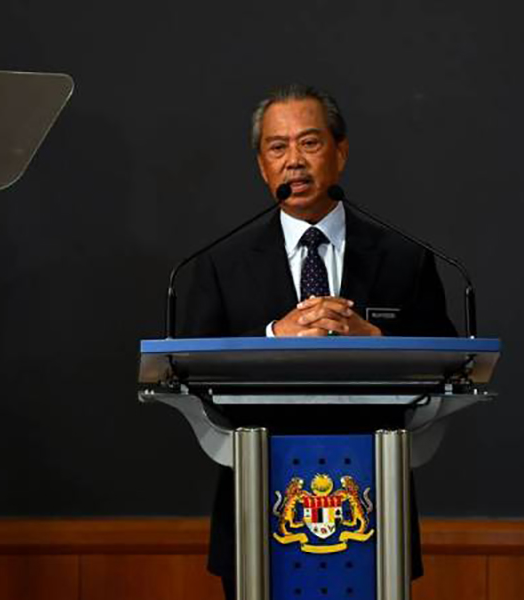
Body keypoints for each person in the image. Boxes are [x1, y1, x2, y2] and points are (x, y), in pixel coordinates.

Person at [178, 84, 456, 599]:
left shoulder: (404, 258)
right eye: (277, 147)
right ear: (262, 166)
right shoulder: (220, 263)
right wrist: (273, 335)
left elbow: (449, 364)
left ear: (340, 152)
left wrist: (376, 339)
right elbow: (189, 369)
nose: (294, 161)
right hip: (256, 497)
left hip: (374, 494)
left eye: (309, 143)